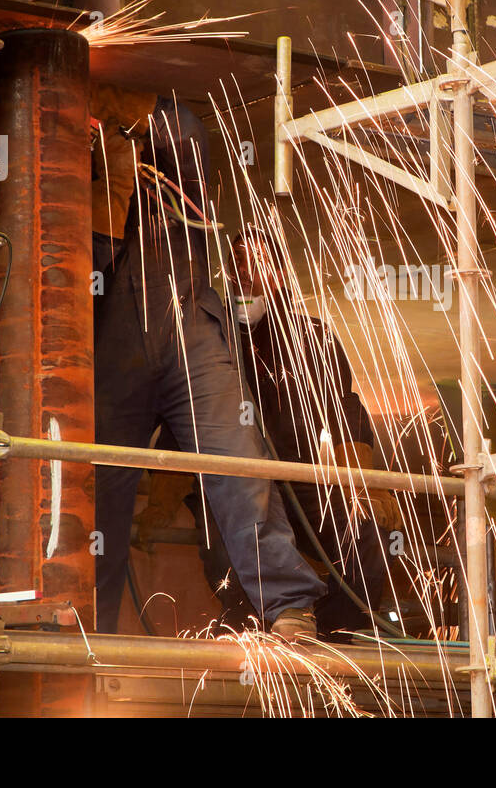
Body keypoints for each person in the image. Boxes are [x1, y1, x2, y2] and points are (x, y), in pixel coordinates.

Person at [90, 93, 326, 639]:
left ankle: (288, 604)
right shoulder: (77, 171)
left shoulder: (172, 137)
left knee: (240, 458)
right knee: (95, 488)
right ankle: (86, 628)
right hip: (109, 336)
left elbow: (187, 134)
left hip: (188, 325)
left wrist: (133, 122)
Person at [174, 226, 403, 637]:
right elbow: (180, 406)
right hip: (231, 479)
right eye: (238, 262)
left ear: (279, 272)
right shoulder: (209, 337)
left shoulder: (312, 338)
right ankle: (257, 643)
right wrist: (163, 484)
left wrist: (363, 478)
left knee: (364, 531)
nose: (245, 272)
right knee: (229, 550)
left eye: (258, 263)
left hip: (301, 480)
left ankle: (338, 637)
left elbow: (343, 407)